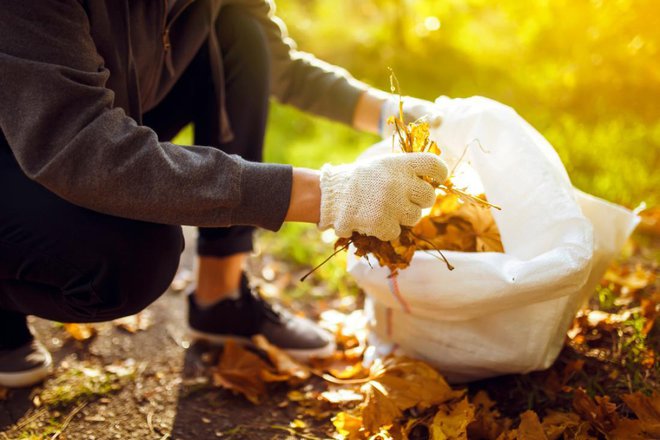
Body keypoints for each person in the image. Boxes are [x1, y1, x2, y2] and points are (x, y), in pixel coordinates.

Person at [0, 1, 447, 388]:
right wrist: (327, 195)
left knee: (239, 33)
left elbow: (277, 63)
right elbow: (80, 146)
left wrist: (400, 114)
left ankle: (221, 297)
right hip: (34, 139)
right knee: (128, 258)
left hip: (85, 119)